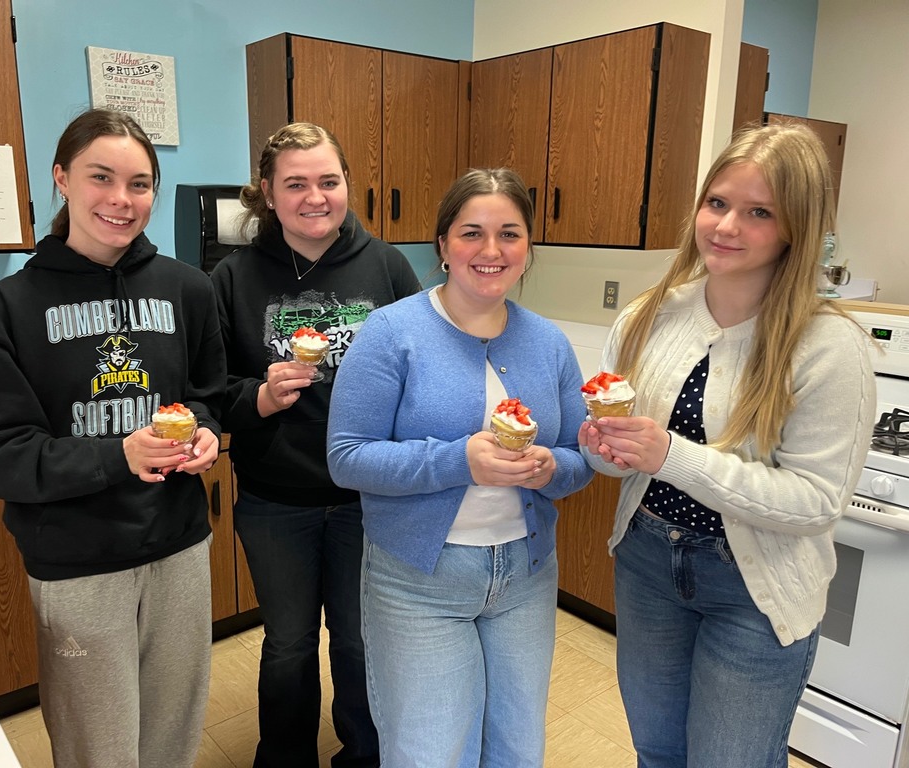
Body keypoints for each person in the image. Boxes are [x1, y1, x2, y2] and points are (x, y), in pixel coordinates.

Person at [578, 123, 876, 768]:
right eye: (717, 203)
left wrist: (669, 456)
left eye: (758, 212)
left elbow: (816, 503)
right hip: (648, 561)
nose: (727, 226)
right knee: (657, 751)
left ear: (794, 228)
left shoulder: (830, 346)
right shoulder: (647, 317)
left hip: (756, 587)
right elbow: (618, 463)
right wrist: (603, 447)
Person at [0, 108, 227, 768]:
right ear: (62, 179)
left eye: (139, 183)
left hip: (179, 548)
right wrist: (119, 455)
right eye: (100, 177)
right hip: (77, 561)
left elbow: (211, 399)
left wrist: (210, 436)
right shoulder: (9, 307)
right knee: (97, 749)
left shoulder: (188, 289)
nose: (120, 199)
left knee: (172, 733)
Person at [326, 168, 593, 767]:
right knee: (430, 750)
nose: (491, 251)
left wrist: (553, 468)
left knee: (516, 748)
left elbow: (582, 457)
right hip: (419, 580)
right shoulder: (392, 333)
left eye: (510, 234)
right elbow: (347, 457)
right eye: (471, 233)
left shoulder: (549, 343)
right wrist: (458, 460)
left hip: (525, 574)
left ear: (528, 250)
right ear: (443, 245)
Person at [210, 122, 420, 768]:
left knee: (361, 644)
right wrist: (259, 399)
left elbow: (425, 370)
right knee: (289, 647)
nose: (315, 196)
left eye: (329, 181)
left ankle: (365, 756)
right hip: (277, 501)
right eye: (295, 184)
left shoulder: (386, 267)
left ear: (347, 185)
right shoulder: (233, 279)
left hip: (368, 501)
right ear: (267, 195)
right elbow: (211, 391)